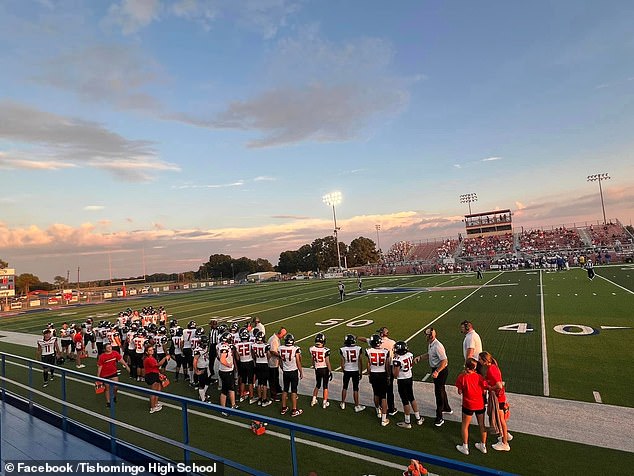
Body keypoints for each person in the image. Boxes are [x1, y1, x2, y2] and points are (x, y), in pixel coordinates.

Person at [454, 358, 488, 455]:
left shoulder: (462, 377)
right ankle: (483, 445)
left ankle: (465, 447)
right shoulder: (479, 377)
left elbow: (460, 391)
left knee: (465, 425)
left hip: (468, 404)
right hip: (480, 404)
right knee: (482, 424)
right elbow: (484, 390)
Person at [479, 351, 512, 451]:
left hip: (498, 397)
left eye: (480, 359)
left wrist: (490, 388)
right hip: (500, 396)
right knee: (501, 419)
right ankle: (505, 435)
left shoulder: (492, 369)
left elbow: (499, 385)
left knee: (501, 420)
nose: (479, 361)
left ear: (485, 361)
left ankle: (505, 443)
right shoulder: (493, 366)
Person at [420, 328, 452, 427]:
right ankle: (446, 408)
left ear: (430, 336)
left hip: (440, 371)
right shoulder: (431, 344)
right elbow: (429, 355)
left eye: (426, 335)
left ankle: (440, 417)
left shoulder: (438, 346)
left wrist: (437, 371)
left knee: (438, 392)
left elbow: (444, 360)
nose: (425, 336)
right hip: (437, 370)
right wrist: (420, 357)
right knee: (441, 389)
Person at [392, 341, 424, 428]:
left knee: (405, 401)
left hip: (402, 380)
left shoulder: (397, 360)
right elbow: (412, 363)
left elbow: (396, 374)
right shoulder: (410, 354)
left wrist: (392, 369)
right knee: (412, 398)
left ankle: (407, 422)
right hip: (409, 378)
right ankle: (418, 418)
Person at [366, 334, 391, 427]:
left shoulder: (368, 351)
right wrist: (388, 376)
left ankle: (378, 410)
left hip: (373, 373)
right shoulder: (385, 351)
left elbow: (368, 364)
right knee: (383, 396)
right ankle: (384, 419)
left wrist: (369, 375)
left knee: (376, 393)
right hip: (382, 374)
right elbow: (387, 365)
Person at [97, 342, 130, 407]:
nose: (110, 348)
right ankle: (108, 402)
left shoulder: (115, 353)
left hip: (113, 373)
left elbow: (121, 359)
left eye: (110, 347)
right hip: (105, 374)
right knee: (107, 388)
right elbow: (100, 367)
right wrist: (98, 377)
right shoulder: (102, 356)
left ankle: (114, 396)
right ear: (105, 349)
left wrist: (126, 366)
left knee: (116, 387)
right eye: (108, 347)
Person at [279, 333, 303, 417]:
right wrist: (301, 371)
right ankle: (294, 410)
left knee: (285, 389)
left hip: (286, 371)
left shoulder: (281, 348)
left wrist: (282, 367)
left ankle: (283, 407)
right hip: (293, 371)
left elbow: (280, 361)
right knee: (294, 390)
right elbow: (298, 361)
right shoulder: (295, 349)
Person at [339, 334, 365, 412]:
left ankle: (343, 403)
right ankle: (357, 405)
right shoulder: (358, 349)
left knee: (345, 387)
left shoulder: (343, 349)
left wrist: (344, 370)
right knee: (355, 389)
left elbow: (342, 362)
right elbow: (360, 361)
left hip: (347, 370)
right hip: (355, 370)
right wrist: (360, 371)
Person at [143, 345, 170, 413]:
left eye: (152, 350)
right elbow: (158, 365)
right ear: (146, 352)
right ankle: (153, 407)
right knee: (153, 392)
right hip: (151, 375)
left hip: (155, 374)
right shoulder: (149, 359)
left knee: (158, 390)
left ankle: (155, 403)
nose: (152, 351)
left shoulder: (151, 358)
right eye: (150, 350)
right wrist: (164, 358)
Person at [217, 332, 239, 413]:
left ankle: (233, 404)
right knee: (224, 390)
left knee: (231, 387)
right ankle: (223, 409)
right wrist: (229, 365)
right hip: (226, 371)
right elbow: (222, 360)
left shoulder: (222, 346)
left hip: (227, 371)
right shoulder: (224, 347)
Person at [309, 333, 332, 409]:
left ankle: (313, 400)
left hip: (317, 368)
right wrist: (330, 371)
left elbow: (312, 360)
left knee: (317, 384)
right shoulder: (326, 350)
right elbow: (327, 362)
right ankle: (324, 403)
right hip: (324, 369)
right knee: (325, 386)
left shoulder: (312, 348)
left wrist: (314, 366)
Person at [251, 331, 273, 407]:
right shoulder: (265, 346)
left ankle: (260, 399)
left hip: (257, 363)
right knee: (264, 383)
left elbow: (253, 355)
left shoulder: (253, 345)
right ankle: (264, 400)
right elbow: (269, 355)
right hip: (264, 364)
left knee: (259, 382)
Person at [267, 328, 286, 401]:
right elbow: (272, 351)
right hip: (272, 363)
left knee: (276, 377)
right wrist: (280, 355)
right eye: (283, 334)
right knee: (273, 379)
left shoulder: (276, 338)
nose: (284, 336)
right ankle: (273, 395)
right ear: (280, 333)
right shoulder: (274, 340)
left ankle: (278, 389)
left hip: (275, 363)